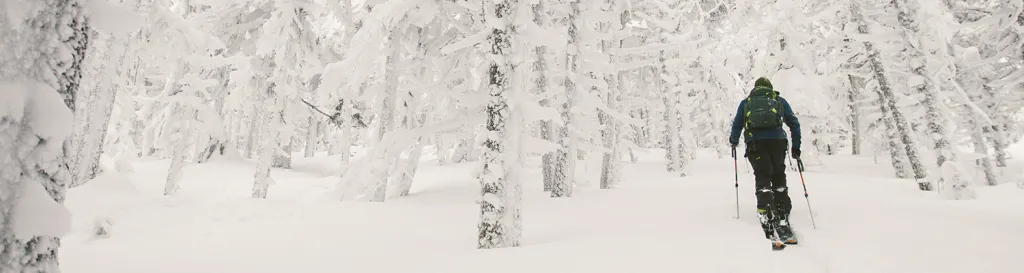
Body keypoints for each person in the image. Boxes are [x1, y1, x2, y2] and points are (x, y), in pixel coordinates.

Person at [728, 77, 802, 245]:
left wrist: (733, 141)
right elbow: (794, 123)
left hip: (755, 144)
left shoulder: (746, 103)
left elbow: (737, 125)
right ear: (769, 88)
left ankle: (765, 210)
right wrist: (796, 147)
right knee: (778, 174)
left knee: (762, 175)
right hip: (777, 142)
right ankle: (782, 210)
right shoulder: (779, 101)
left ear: (755, 89)